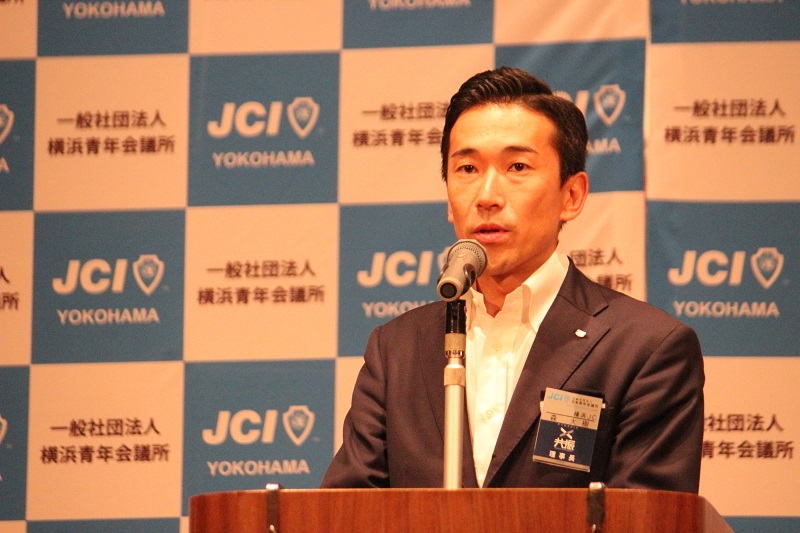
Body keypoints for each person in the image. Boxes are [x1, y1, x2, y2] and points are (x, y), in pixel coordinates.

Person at [321, 67, 704, 492]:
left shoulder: (645, 349)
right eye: (467, 168)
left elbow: (646, 516)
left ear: (572, 195)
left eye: (517, 166)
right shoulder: (396, 350)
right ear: (448, 197)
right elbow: (347, 510)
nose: (486, 196)